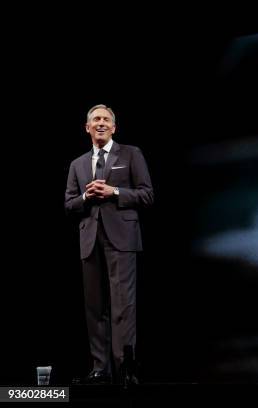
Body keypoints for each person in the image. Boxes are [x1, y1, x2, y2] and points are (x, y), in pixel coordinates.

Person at [65, 104, 153, 385]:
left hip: (122, 238)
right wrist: (86, 198)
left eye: (106, 119)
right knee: (95, 306)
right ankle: (100, 369)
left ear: (114, 127)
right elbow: (69, 205)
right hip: (90, 239)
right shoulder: (77, 164)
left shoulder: (130, 154)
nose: (101, 123)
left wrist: (114, 191)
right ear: (87, 128)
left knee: (123, 305)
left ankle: (126, 367)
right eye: (95, 120)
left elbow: (147, 194)